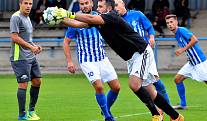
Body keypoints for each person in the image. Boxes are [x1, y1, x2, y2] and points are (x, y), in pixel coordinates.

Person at [51, 0, 184, 120]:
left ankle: (155, 114)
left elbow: (89, 17)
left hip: (141, 52)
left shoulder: (111, 16)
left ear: (108, 8)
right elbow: (78, 24)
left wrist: (68, 13)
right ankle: (176, 116)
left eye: (100, 6)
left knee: (134, 84)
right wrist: (57, 18)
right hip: (132, 57)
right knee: (150, 90)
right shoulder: (99, 22)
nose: (97, 8)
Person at [63, 0, 120, 120]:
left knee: (116, 87)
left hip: (102, 58)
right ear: (79, 5)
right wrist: (69, 61)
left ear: (91, 3)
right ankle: (107, 116)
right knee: (99, 87)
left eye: (86, 3)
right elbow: (66, 42)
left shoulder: (98, 16)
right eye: (82, 4)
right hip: (87, 60)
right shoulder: (75, 20)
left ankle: (105, 109)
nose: (84, 6)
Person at [112, 0, 171, 104]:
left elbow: (149, 27)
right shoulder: (116, 21)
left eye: (117, 5)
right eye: (113, 6)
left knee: (155, 81)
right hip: (131, 56)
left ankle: (168, 107)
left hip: (144, 52)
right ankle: (157, 109)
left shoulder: (137, 14)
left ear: (123, 4)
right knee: (140, 85)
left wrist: (152, 37)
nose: (115, 8)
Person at [165, 14, 207, 110]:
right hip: (192, 62)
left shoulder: (182, 30)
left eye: (171, 22)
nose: (169, 24)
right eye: (167, 23)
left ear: (176, 22)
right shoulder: (176, 34)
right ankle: (183, 104)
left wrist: (182, 50)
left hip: (199, 61)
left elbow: (195, 40)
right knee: (177, 79)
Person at [10, 0, 42, 120]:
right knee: (23, 84)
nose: (28, 6)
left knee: (37, 81)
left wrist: (35, 46)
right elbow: (14, 37)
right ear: (20, 4)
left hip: (30, 56)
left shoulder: (27, 18)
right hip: (20, 58)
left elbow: (27, 39)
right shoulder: (16, 17)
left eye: (30, 3)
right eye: (26, 3)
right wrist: (31, 47)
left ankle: (31, 111)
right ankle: (22, 115)